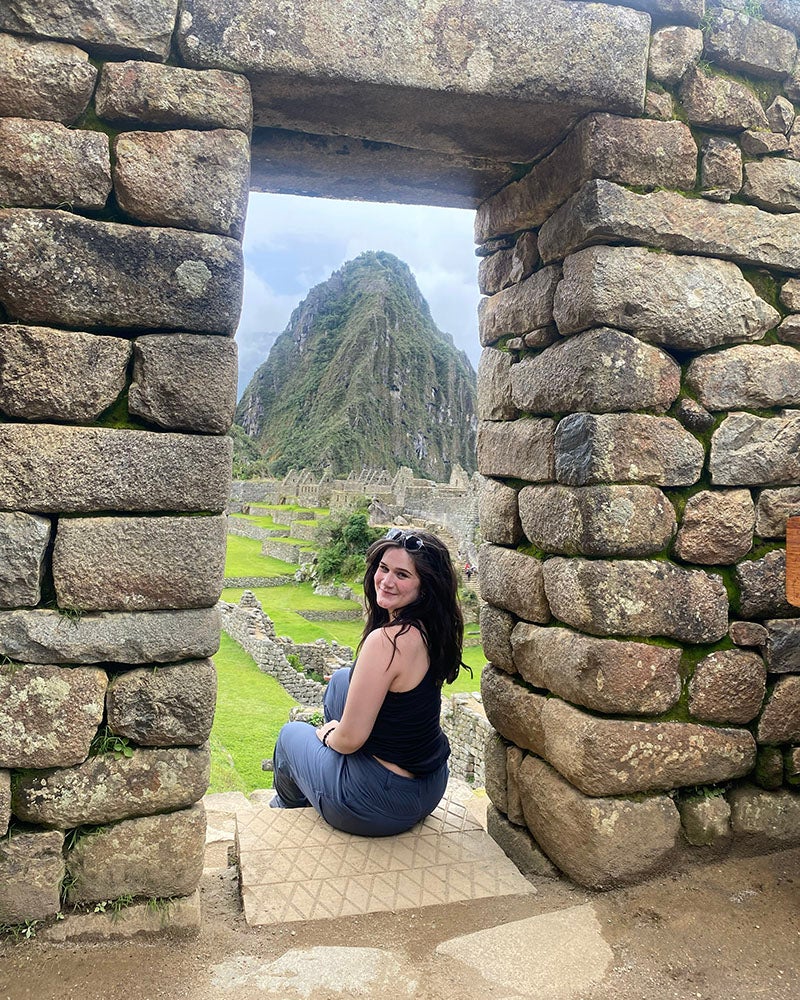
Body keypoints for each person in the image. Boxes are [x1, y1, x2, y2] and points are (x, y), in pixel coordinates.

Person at [269, 527, 468, 836]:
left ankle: (287, 811)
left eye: (402, 575)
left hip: (376, 804)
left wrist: (328, 735)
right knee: (340, 680)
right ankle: (335, 772)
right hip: (429, 786)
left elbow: (349, 740)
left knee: (290, 735)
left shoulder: (386, 642)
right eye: (384, 568)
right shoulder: (433, 628)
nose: (386, 581)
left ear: (425, 586)